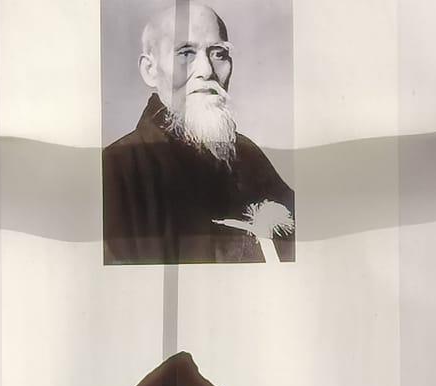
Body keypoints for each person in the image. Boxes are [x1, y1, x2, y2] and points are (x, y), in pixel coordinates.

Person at [102, 1, 296, 265]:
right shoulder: (116, 169)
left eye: (218, 53)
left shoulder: (248, 156)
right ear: (150, 70)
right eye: (185, 53)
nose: (206, 71)